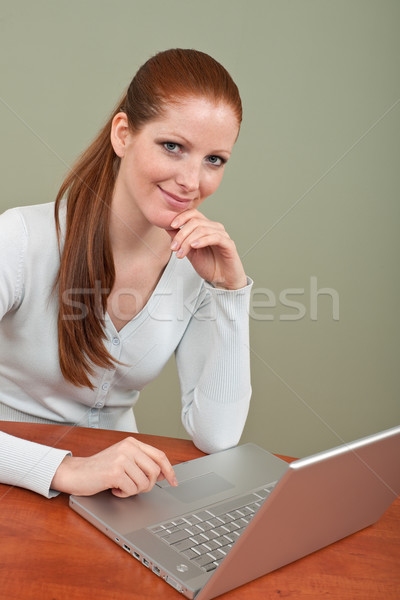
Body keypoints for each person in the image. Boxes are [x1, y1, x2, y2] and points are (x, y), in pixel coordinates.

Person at [0, 48, 252, 499]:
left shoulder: (195, 266)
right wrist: (66, 470)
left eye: (214, 159)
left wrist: (230, 292)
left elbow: (218, 436)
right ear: (123, 134)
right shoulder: (20, 239)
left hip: (120, 493)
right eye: (173, 147)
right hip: (16, 480)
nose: (192, 181)